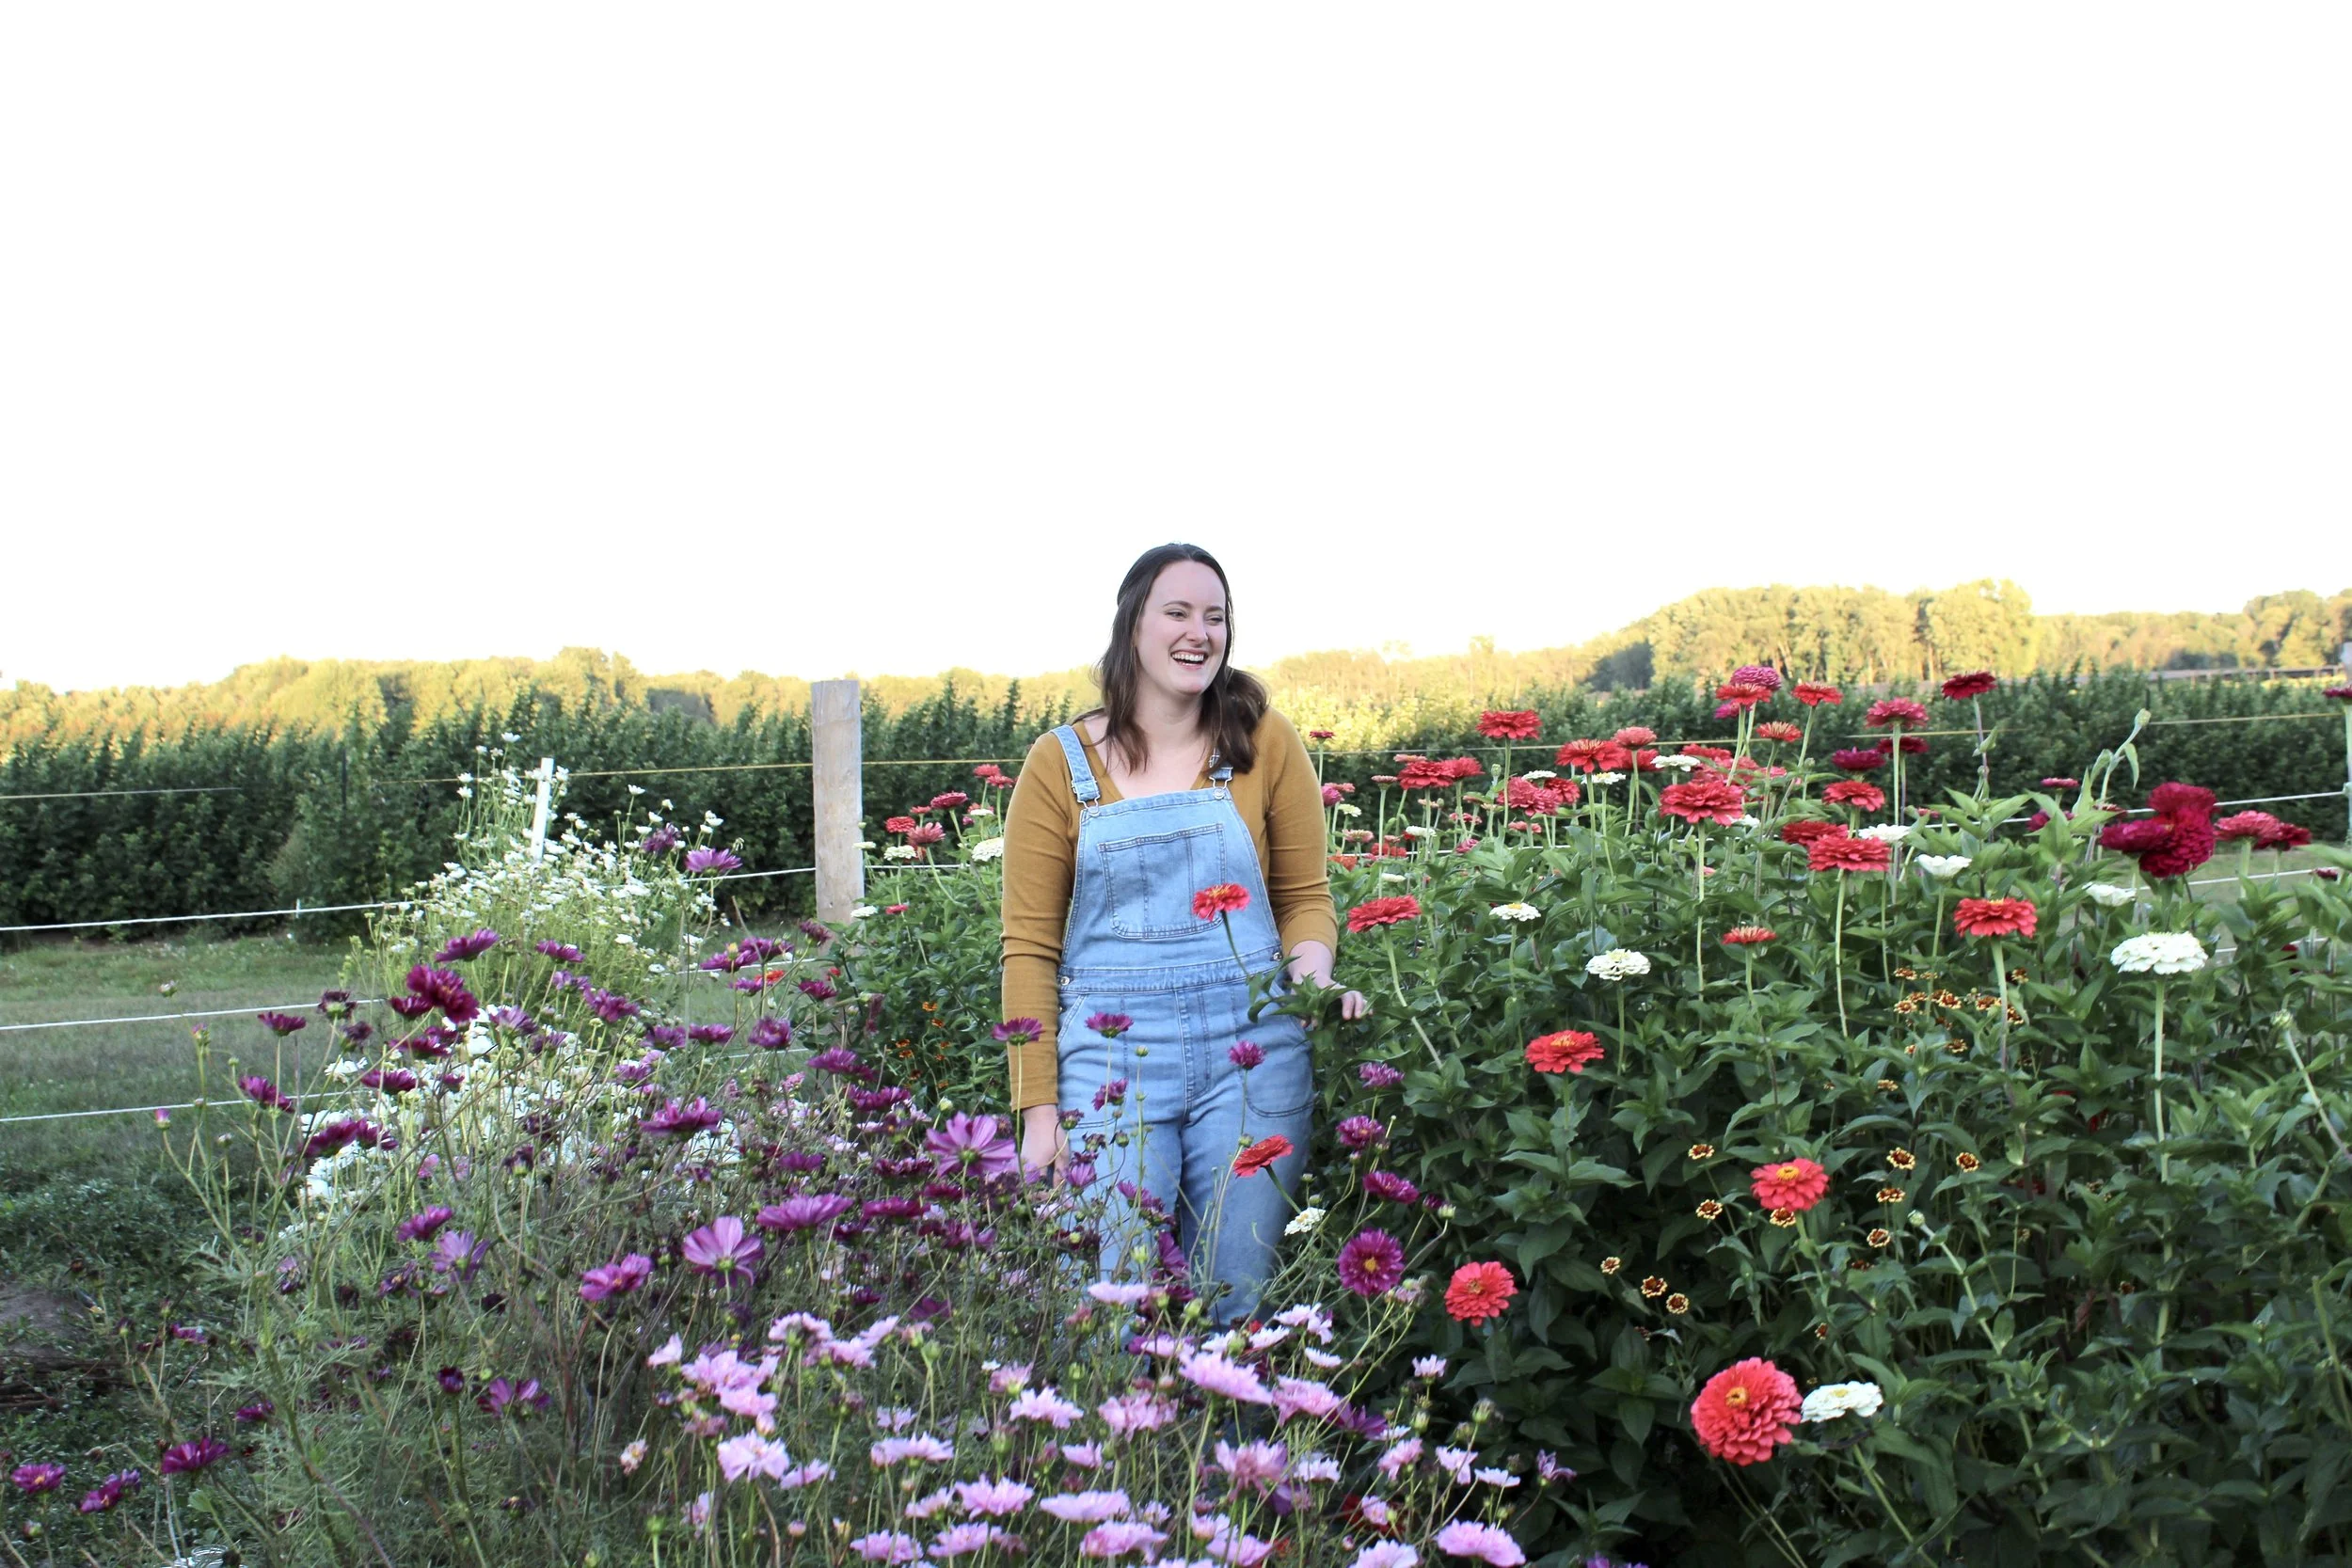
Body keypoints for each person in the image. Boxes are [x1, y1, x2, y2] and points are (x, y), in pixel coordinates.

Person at [998, 543, 1369, 1323]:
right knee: (1109, 1305)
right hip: (1113, 1059)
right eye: (1178, 612)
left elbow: (1304, 897)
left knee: (1235, 1303)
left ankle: (1239, 1444)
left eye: (1216, 616)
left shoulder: (1263, 743)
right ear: (1133, 624)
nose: (1199, 632)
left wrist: (1314, 980)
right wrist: (1037, 1112)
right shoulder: (1058, 764)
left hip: (1255, 1051)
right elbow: (1029, 946)